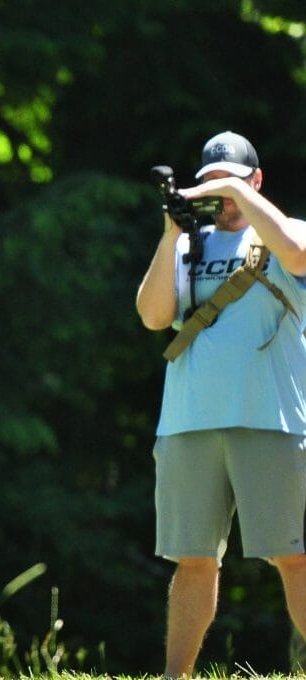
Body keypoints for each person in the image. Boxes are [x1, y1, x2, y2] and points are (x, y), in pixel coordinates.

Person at [136, 130, 306, 676]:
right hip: (188, 422)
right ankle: (175, 675)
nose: (222, 196)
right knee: (193, 561)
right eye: (212, 185)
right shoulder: (188, 244)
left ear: (257, 181)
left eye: (233, 182)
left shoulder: (284, 234)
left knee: (295, 557)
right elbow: (154, 315)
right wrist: (170, 233)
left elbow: (299, 254)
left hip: (270, 418)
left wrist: (243, 196)